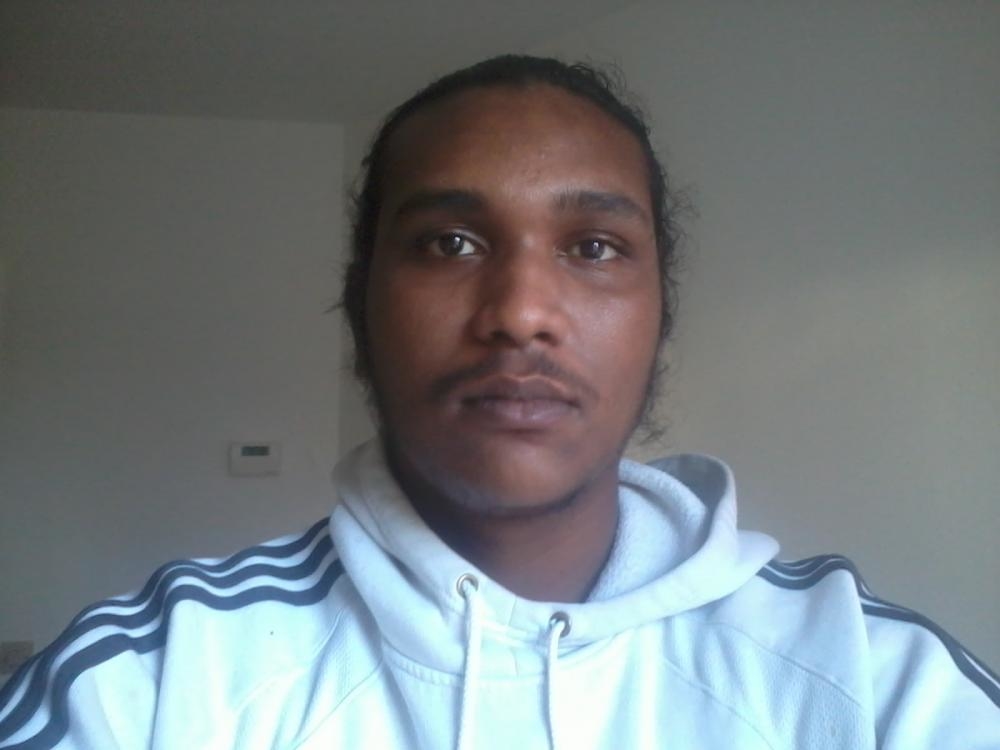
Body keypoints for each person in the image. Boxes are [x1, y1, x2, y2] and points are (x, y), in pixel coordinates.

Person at [0, 54, 996, 750]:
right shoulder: (155, 682)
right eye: (449, 243)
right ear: (360, 297)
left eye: (593, 247)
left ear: (661, 309)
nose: (520, 313)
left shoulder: (874, 683)